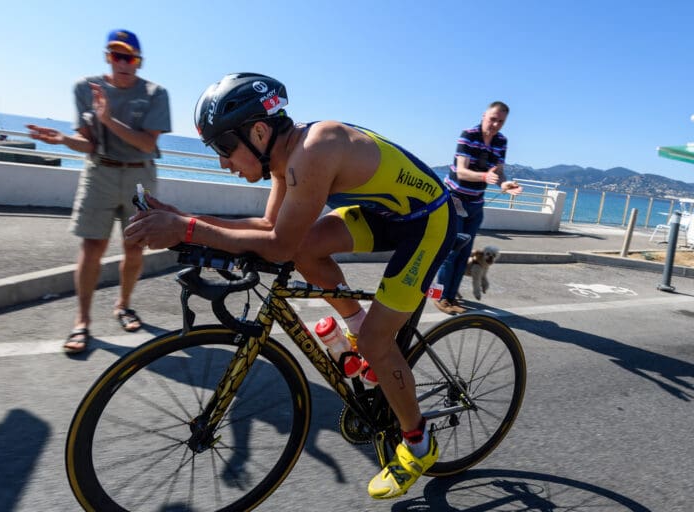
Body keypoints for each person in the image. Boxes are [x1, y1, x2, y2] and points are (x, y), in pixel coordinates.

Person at [124, 73, 456, 499]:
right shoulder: (283, 159)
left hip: (427, 222)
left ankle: (418, 443)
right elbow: (268, 227)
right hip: (387, 214)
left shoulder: (315, 151)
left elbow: (276, 245)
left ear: (259, 131)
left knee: (377, 341)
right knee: (306, 249)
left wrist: (186, 229)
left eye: (224, 148)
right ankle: (357, 327)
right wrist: (185, 218)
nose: (223, 162)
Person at [27, 29, 171, 353]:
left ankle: (123, 305)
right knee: (92, 247)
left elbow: (148, 143)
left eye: (129, 57)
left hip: (139, 176)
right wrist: (62, 139)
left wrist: (108, 120)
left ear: (139, 62)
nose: (122, 63)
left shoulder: (155, 93)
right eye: (116, 55)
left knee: (134, 248)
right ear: (108, 57)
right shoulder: (85, 88)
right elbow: (89, 143)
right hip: (100, 171)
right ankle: (82, 322)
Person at [433, 101, 522, 315]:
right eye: (492, 119)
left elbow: (498, 172)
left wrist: (503, 184)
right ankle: (439, 296)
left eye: (500, 121)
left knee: (464, 254)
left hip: (476, 204)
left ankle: (451, 297)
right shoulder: (468, 135)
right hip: (456, 200)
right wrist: (484, 176)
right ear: (484, 115)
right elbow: (462, 171)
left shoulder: (501, 141)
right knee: (450, 253)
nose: (495, 124)